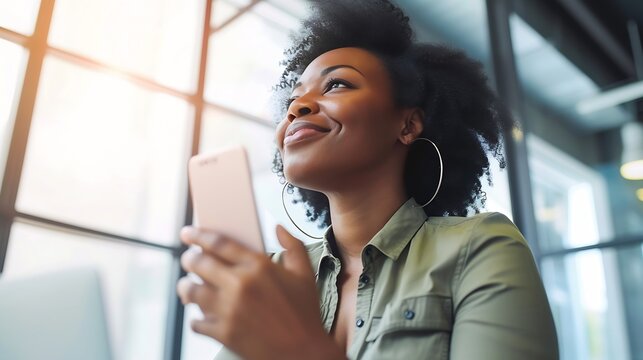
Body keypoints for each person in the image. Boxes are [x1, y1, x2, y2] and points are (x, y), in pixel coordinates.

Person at [176, 0, 559, 359]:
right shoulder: (275, 279)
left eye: (337, 84)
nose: (298, 107)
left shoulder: (480, 247)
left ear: (407, 124)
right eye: (294, 98)